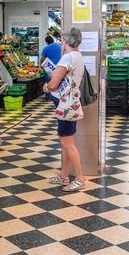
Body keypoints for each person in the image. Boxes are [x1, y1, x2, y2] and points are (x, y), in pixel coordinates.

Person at [43, 27, 87, 192]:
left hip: (65, 105)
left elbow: (54, 83)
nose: (61, 43)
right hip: (72, 104)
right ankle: (64, 175)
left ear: (67, 41)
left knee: (67, 143)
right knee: (65, 141)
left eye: (62, 40)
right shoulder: (78, 57)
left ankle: (80, 178)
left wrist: (46, 88)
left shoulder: (67, 57)